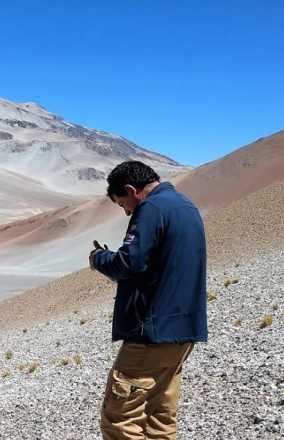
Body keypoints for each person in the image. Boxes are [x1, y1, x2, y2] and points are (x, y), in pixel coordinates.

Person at [88, 160, 208, 440]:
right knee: (159, 416)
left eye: (123, 205)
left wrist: (99, 259)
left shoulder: (151, 208)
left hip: (151, 334)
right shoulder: (185, 206)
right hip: (181, 332)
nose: (127, 211)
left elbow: (130, 262)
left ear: (132, 190)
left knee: (121, 417)